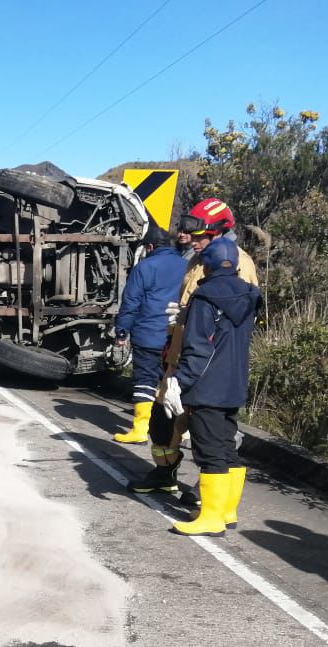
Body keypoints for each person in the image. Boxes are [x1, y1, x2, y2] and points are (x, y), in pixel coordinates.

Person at [132, 198, 259, 499]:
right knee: (162, 424)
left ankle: (212, 496)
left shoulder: (239, 263)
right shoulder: (195, 260)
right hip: (180, 358)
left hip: (208, 366)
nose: (191, 239)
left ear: (217, 233)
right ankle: (165, 474)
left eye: (200, 235)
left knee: (211, 437)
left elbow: (235, 315)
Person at [160, 236, 259, 535]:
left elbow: (200, 348)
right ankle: (227, 510)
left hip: (208, 387)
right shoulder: (249, 295)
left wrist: (180, 381)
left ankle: (211, 518)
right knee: (227, 448)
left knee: (209, 452)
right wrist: (189, 315)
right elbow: (227, 328)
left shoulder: (205, 298)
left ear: (207, 266)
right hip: (234, 384)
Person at [110, 223, 189, 444]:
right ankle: (176, 432)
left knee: (145, 379)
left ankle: (140, 430)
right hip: (175, 337)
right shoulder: (187, 266)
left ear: (150, 246)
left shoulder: (145, 267)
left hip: (148, 334)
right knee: (171, 381)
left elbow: (131, 302)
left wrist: (122, 331)